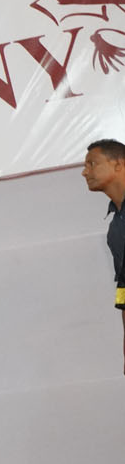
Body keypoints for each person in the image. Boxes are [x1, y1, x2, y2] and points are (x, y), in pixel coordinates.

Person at [82, 138, 125, 374]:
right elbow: (124, 287)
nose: (84, 172)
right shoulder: (115, 227)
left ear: (119, 164)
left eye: (92, 164)